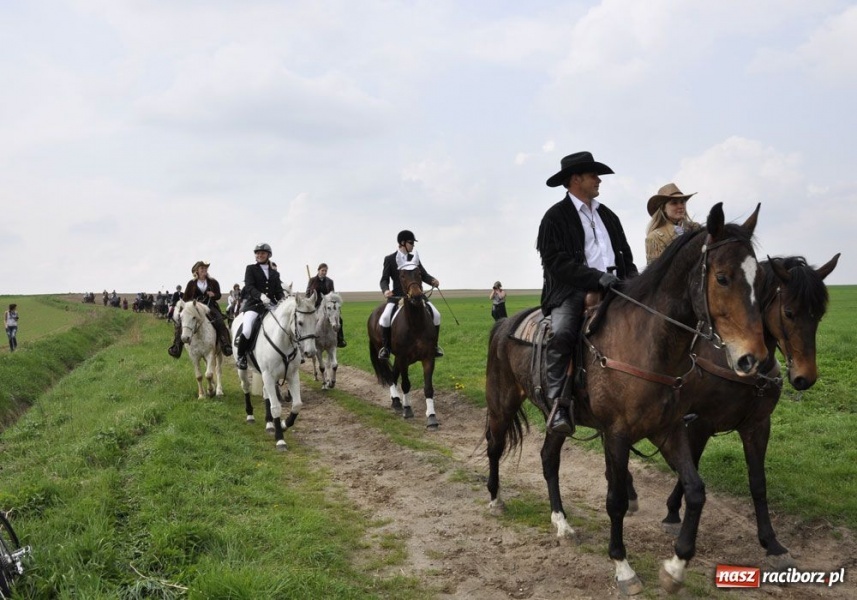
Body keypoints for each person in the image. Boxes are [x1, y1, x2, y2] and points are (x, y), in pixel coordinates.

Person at [537, 151, 639, 435]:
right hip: (571, 290)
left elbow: (625, 256)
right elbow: (555, 262)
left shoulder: (608, 215)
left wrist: (634, 283)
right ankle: (558, 404)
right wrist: (595, 278)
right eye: (593, 175)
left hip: (616, 286)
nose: (599, 180)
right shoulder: (554, 217)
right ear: (575, 179)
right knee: (562, 332)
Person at [377, 230, 443, 360]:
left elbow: (423, 274)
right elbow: (384, 279)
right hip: (397, 297)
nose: (413, 245)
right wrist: (386, 290)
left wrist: (432, 280)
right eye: (411, 242)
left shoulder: (414, 258)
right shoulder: (390, 259)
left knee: (436, 314)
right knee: (384, 318)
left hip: (416, 295)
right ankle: (386, 348)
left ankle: (434, 346)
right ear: (403, 243)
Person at [236, 243, 286, 370]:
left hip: (271, 306)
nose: (259, 255)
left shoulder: (275, 274)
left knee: (286, 324)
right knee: (247, 330)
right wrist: (260, 296)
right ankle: (241, 356)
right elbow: (249, 286)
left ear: (268, 255)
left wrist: (283, 300)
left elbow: (278, 291)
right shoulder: (250, 269)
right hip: (254, 306)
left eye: (262, 253)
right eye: (257, 253)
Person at [167, 261, 233, 359]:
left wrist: (213, 295)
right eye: (202, 268)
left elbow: (218, 295)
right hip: (195, 308)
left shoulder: (213, 282)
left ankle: (226, 344)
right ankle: (176, 347)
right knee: (181, 324)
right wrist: (183, 310)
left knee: (219, 321)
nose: (204, 270)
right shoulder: (191, 283)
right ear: (196, 270)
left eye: (205, 268)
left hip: (210, 307)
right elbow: (185, 298)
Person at [645, 182, 701, 265]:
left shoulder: (696, 228)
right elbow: (655, 270)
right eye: (674, 203)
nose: (680, 206)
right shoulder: (654, 238)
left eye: (682, 202)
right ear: (663, 208)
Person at [306, 263, 346, 347]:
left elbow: (332, 295)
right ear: (318, 270)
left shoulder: (330, 281)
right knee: (309, 320)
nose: (324, 272)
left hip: (327, 306)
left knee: (339, 319)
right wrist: (309, 302)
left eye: (325, 271)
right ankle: (308, 340)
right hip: (315, 305)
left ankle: (340, 339)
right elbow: (307, 294)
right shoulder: (312, 280)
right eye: (322, 270)